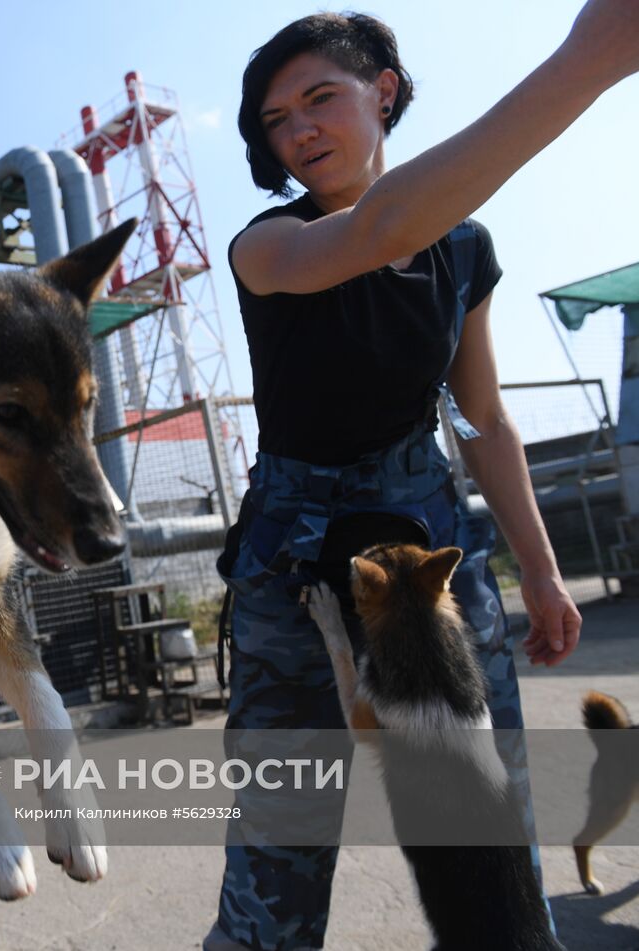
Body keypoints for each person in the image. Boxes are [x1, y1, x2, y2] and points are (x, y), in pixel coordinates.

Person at [205, 3, 637, 948]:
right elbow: (378, 229)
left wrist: (541, 566)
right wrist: (590, 60)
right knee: (281, 844)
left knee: (485, 831)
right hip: (296, 570)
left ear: (385, 92)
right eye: (278, 120)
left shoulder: (465, 251)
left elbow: (484, 421)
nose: (301, 128)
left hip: (429, 561)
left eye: (321, 98)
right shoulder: (265, 247)